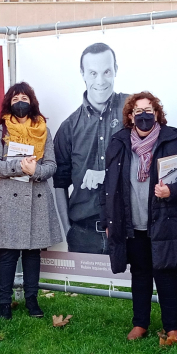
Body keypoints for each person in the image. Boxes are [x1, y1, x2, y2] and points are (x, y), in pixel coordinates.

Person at [102, 92, 177, 342]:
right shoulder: (118, 143)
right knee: (140, 273)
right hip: (132, 224)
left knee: (166, 274)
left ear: (156, 113)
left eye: (148, 110)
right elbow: (110, 186)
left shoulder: (173, 140)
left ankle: (173, 326)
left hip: (164, 221)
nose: (143, 115)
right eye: (138, 111)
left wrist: (171, 191)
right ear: (130, 116)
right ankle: (140, 323)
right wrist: (108, 221)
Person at [0, 82, 63, 320]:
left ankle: (32, 300)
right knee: (8, 254)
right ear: (9, 102)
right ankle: (4, 304)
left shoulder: (43, 129)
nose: (21, 102)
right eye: (16, 97)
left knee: (32, 254)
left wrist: (34, 170)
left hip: (36, 199)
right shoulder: (1, 130)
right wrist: (17, 166)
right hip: (9, 198)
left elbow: (52, 165)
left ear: (32, 102)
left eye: (25, 98)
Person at [54, 43, 130, 254]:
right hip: (83, 235)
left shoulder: (133, 111)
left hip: (129, 231)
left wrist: (107, 174)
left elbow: (147, 163)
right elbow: (59, 183)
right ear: (83, 74)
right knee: (84, 289)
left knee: (132, 288)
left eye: (106, 71)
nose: (100, 81)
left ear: (116, 69)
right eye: (93, 73)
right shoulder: (69, 127)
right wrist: (68, 231)